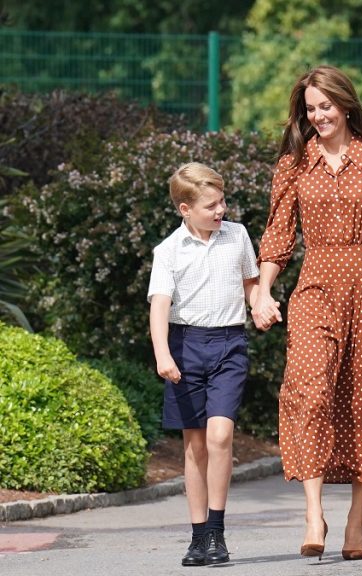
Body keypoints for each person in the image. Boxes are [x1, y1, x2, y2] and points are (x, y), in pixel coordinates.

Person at [249, 65, 362, 562]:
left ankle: (356, 520)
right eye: (310, 109)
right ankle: (313, 513)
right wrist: (263, 292)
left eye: (325, 106)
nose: (318, 116)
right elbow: (279, 235)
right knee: (308, 389)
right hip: (315, 286)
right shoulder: (294, 164)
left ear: (345, 105)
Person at [148, 162, 263, 566]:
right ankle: (198, 537)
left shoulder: (238, 236)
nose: (221, 211)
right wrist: (163, 353)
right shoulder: (168, 251)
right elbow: (160, 306)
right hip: (185, 347)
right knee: (195, 446)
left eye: (223, 202)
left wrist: (260, 303)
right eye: (212, 205)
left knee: (219, 438)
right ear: (185, 208)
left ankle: (217, 531)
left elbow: (251, 282)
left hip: (229, 344)